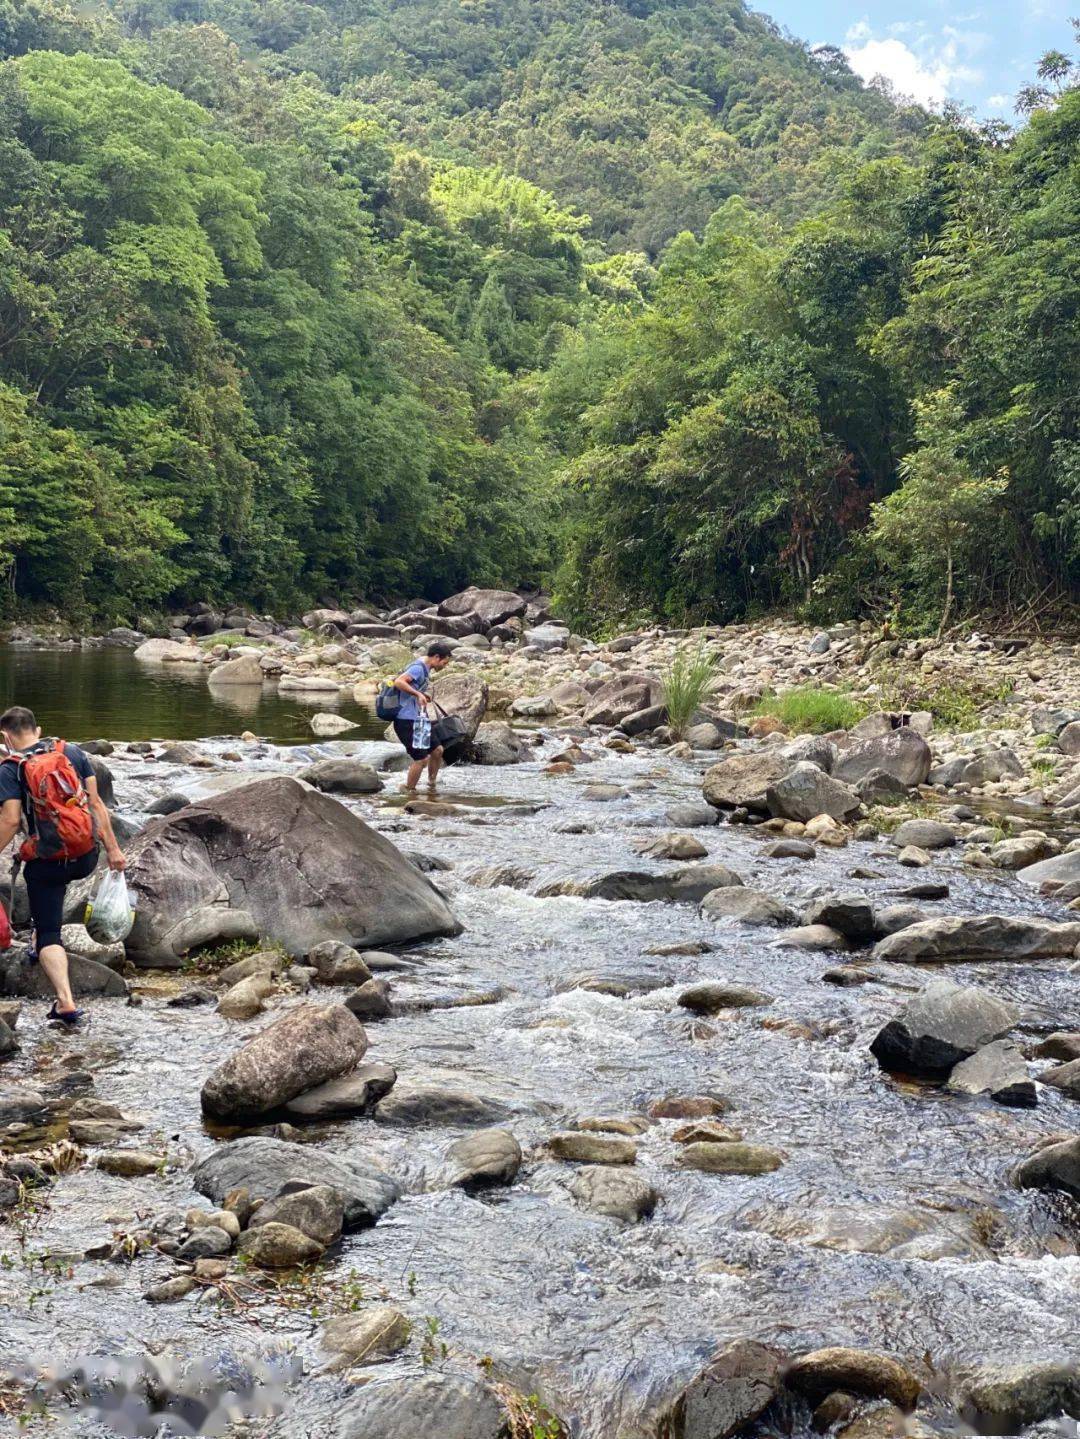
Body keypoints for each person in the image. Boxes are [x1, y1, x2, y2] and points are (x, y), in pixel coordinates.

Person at [0, 706, 126, 1028]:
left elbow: (12, 820)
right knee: (54, 892)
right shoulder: (70, 752)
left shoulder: (11, 768)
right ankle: (38, 935)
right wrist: (113, 850)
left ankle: (65, 1000)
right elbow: (97, 805)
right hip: (85, 856)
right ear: (37, 730)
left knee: (50, 932)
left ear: (5, 736)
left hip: (48, 862)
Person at [391, 641, 454, 792]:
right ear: (436, 657)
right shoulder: (418, 668)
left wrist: (421, 694)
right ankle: (408, 790)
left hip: (418, 718)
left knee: (437, 750)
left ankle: (431, 785)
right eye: (444, 662)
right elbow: (399, 682)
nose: (444, 666)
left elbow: (410, 687)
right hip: (405, 720)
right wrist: (418, 694)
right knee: (421, 759)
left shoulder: (425, 667)